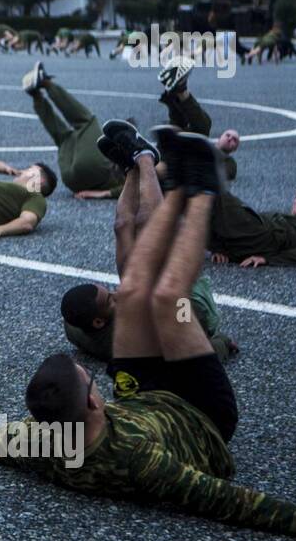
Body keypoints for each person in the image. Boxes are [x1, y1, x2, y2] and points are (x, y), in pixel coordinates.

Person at [0, 128, 296, 541]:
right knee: (166, 298)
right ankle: (197, 188)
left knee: (136, 291)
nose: (93, 375)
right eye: (89, 379)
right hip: (203, 416)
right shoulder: (142, 462)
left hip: (147, 401)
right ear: (94, 402)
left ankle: (148, 160)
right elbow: (231, 502)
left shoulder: (42, 441)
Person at [60, 119, 237, 364]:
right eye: (110, 298)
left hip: (143, 308)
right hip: (191, 312)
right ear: (100, 322)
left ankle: (131, 168)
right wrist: (224, 342)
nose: (115, 291)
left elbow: (79, 318)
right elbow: (202, 353)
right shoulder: (137, 344)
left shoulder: (77, 326)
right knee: (155, 242)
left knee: (122, 228)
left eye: (109, 291)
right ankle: (148, 162)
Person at [22, 62, 124, 198]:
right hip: (72, 181)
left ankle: (46, 83)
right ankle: (36, 95)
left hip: (98, 168)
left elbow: (141, 186)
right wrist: (99, 193)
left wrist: (103, 194)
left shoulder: (152, 165)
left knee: (86, 121)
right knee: (64, 137)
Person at [209, 181, 296, 266]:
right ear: (295, 201)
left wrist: (267, 259)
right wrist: (219, 249)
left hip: (267, 236)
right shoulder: (276, 214)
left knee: (212, 190)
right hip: (247, 239)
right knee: (202, 207)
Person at [156, 61, 239, 181]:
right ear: (220, 137)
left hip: (179, 169)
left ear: (234, 149)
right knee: (181, 125)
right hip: (176, 154)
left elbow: (223, 175)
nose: (230, 138)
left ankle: (177, 90)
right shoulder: (204, 143)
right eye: (228, 135)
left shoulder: (229, 162)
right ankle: (175, 91)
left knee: (203, 126)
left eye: (234, 140)